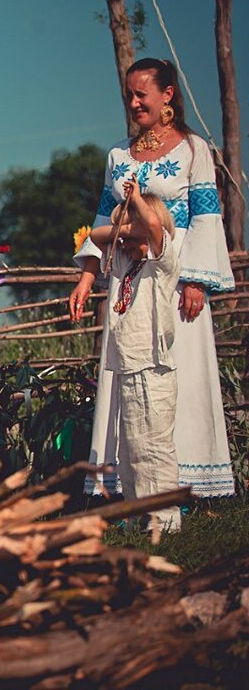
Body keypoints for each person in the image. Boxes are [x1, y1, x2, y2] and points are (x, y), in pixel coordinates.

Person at [70, 58, 235, 500]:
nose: (133, 101)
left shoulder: (193, 150)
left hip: (172, 272)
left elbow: (205, 218)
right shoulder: (119, 155)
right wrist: (87, 277)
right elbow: (102, 218)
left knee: (176, 369)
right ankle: (127, 483)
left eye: (142, 93)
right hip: (126, 275)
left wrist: (197, 280)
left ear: (168, 95)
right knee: (128, 369)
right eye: (128, 93)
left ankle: (190, 481)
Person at [82, 185, 181, 531]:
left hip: (154, 365)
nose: (122, 243)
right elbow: (97, 234)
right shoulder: (127, 261)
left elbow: (153, 227)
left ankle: (165, 517)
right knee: (133, 445)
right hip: (128, 362)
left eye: (130, 234)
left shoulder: (161, 260)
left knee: (155, 443)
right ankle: (141, 512)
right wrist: (126, 225)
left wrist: (137, 206)